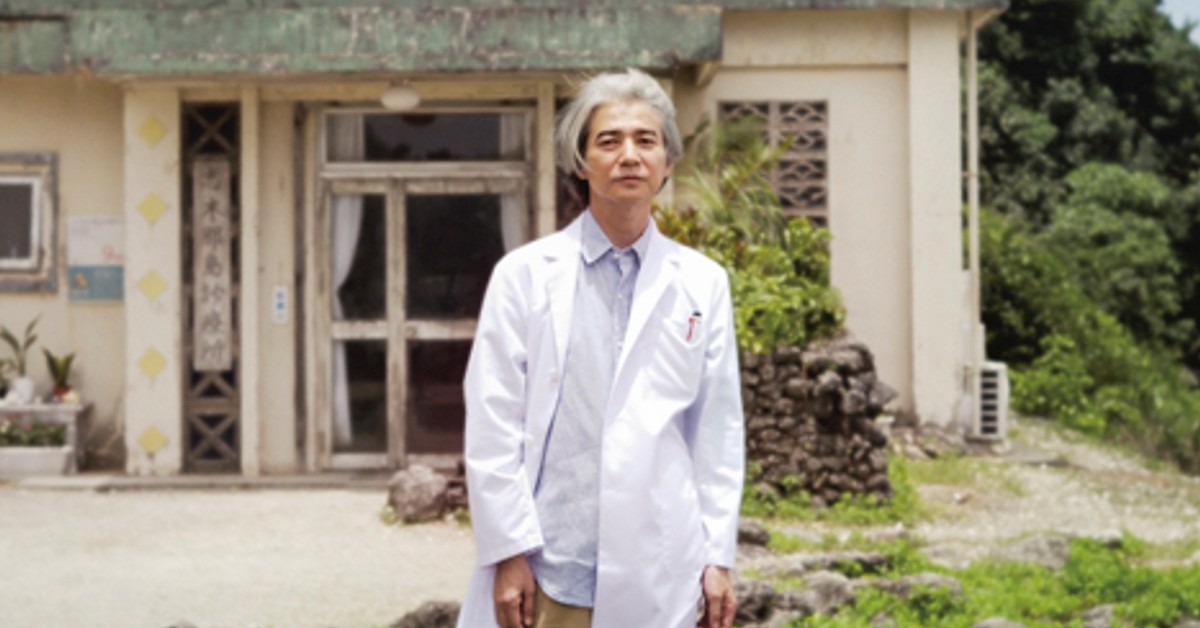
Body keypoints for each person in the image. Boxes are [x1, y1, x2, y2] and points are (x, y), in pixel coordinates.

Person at [455, 68, 745, 628]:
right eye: (609, 141)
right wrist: (508, 552)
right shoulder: (524, 275)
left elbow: (717, 431)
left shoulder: (703, 283)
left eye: (646, 140)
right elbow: (494, 424)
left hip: (660, 570)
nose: (629, 156)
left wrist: (717, 556)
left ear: (668, 161)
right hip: (550, 571)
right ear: (581, 161)